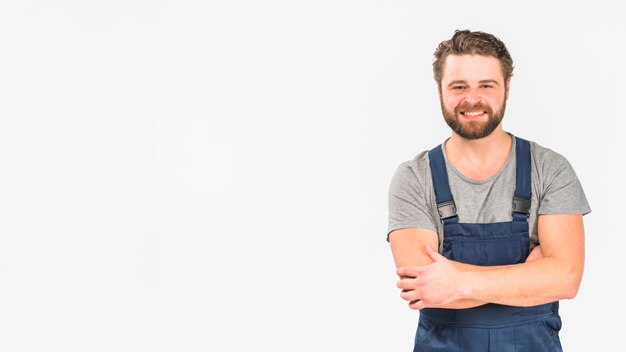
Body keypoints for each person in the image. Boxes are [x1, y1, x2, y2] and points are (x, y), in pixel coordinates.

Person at [386, 29, 591, 352]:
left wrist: (455, 281)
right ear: (439, 90)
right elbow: (424, 288)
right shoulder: (414, 177)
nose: (472, 98)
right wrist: (530, 277)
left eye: (486, 85)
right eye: (459, 86)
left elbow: (566, 279)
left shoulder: (550, 169)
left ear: (506, 89)